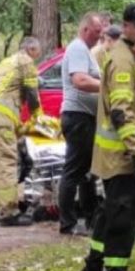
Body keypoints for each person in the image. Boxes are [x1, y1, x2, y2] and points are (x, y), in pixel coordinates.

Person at [79, 4, 135, 271]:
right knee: (123, 219)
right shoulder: (123, 61)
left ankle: (92, 270)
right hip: (120, 157)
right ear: (126, 27)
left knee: (108, 213)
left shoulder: (128, 56)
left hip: (113, 156)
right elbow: (122, 112)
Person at [0, 37, 43, 226]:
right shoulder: (26, 61)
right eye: (36, 54)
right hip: (1, 117)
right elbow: (32, 93)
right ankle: (8, 212)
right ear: (31, 49)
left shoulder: (6, 62)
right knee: (7, 162)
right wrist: (38, 116)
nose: (36, 60)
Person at [57, 13, 104, 236]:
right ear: (86, 29)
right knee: (74, 170)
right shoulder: (77, 48)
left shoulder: (85, 51)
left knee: (87, 171)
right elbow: (80, 80)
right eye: (97, 32)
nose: (100, 36)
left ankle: (91, 218)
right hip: (77, 118)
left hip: (85, 118)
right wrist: (108, 86)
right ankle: (67, 223)